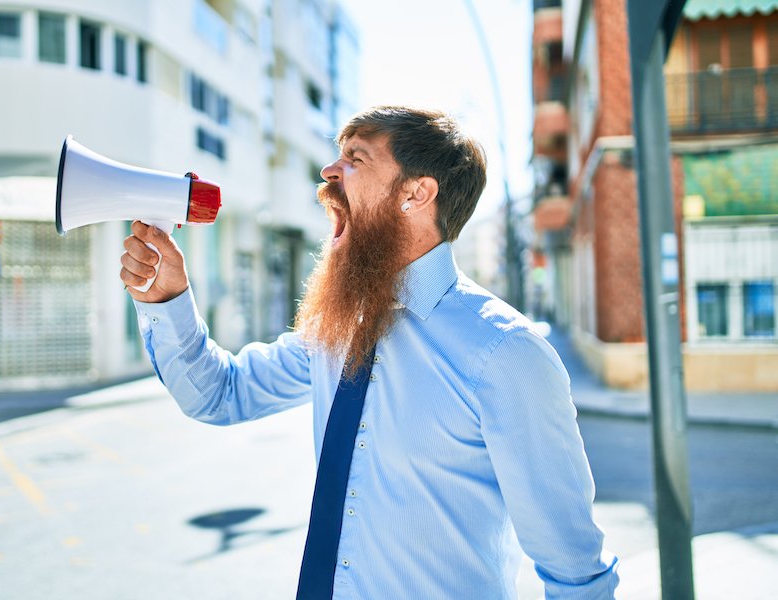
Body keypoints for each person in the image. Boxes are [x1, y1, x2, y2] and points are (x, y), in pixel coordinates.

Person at [120, 106, 619, 599]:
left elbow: (576, 574)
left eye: (356, 158)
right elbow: (220, 393)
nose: (329, 171)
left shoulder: (506, 353)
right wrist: (166, 297)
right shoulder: (335, 330)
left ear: (416, 193)